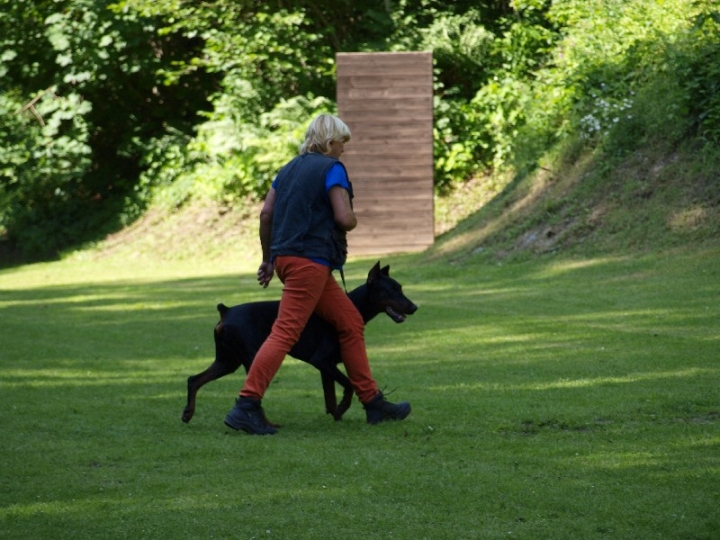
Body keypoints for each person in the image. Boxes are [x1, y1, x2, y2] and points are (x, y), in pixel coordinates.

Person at [224, 113, 411, 435]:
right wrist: (353, 218)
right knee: (285, 332)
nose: (343, 150)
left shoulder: (287, 170)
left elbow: (266, 213)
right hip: (309, 262)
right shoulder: (331, 169)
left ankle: (373, 403)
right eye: (341, 142)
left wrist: (269, 258)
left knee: (351, 322)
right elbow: (343, 217)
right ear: (329, 141)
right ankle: (247, 404)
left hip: (288, 260)